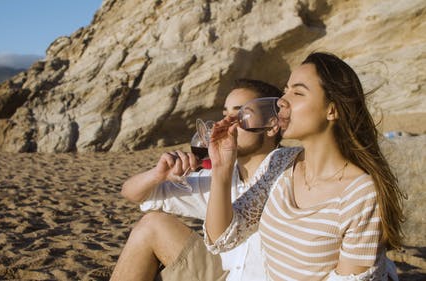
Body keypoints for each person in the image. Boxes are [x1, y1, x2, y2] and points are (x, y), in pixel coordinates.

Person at [204, 52, 404, 280]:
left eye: (298, 92)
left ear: (332, 110)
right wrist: (221, 167)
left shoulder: (361, 195)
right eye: (285, 90)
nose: (282, 101)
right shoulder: (280, 163)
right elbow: (222, 237)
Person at [110, 79, 301, 281]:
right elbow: (131, 193)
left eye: (242, 115)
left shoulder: (295, 171)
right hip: (224, 275)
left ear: (272, 125)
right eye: (225, 115)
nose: (227, 123)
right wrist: (158, 175)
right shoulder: (219, 178)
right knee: (152, 224)